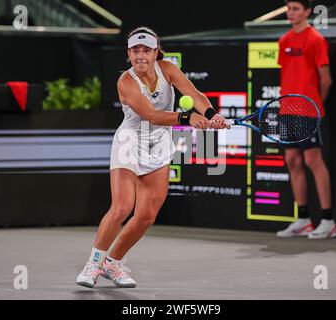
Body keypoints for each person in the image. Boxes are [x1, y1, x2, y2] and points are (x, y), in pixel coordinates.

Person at [76, 26, 228, 288]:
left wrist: (212, 114)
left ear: (156, 52)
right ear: (129, 53)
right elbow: (151, 115)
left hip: (159, 144)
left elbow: (194, 94)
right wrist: (188, 118)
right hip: (130, 142)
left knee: (146, 215)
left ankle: (113, 262)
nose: (141, 56)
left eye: (146, 50)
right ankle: (94, 263)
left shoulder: (167, 69)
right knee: (122, 207)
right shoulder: (125, 81)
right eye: (136, 50)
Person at [276, 0, 336, 239]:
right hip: (287, 110)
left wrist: (315, 103)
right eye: (289, 9)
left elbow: (326, 79)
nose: (291, 13)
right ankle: (303, 219)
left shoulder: (316, 40)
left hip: (308, 111)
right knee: (292, 160)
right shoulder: (284, 41)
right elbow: (288, 74)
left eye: (296, 9)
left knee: (313, 160)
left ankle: (328, 220)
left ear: (308, 12)